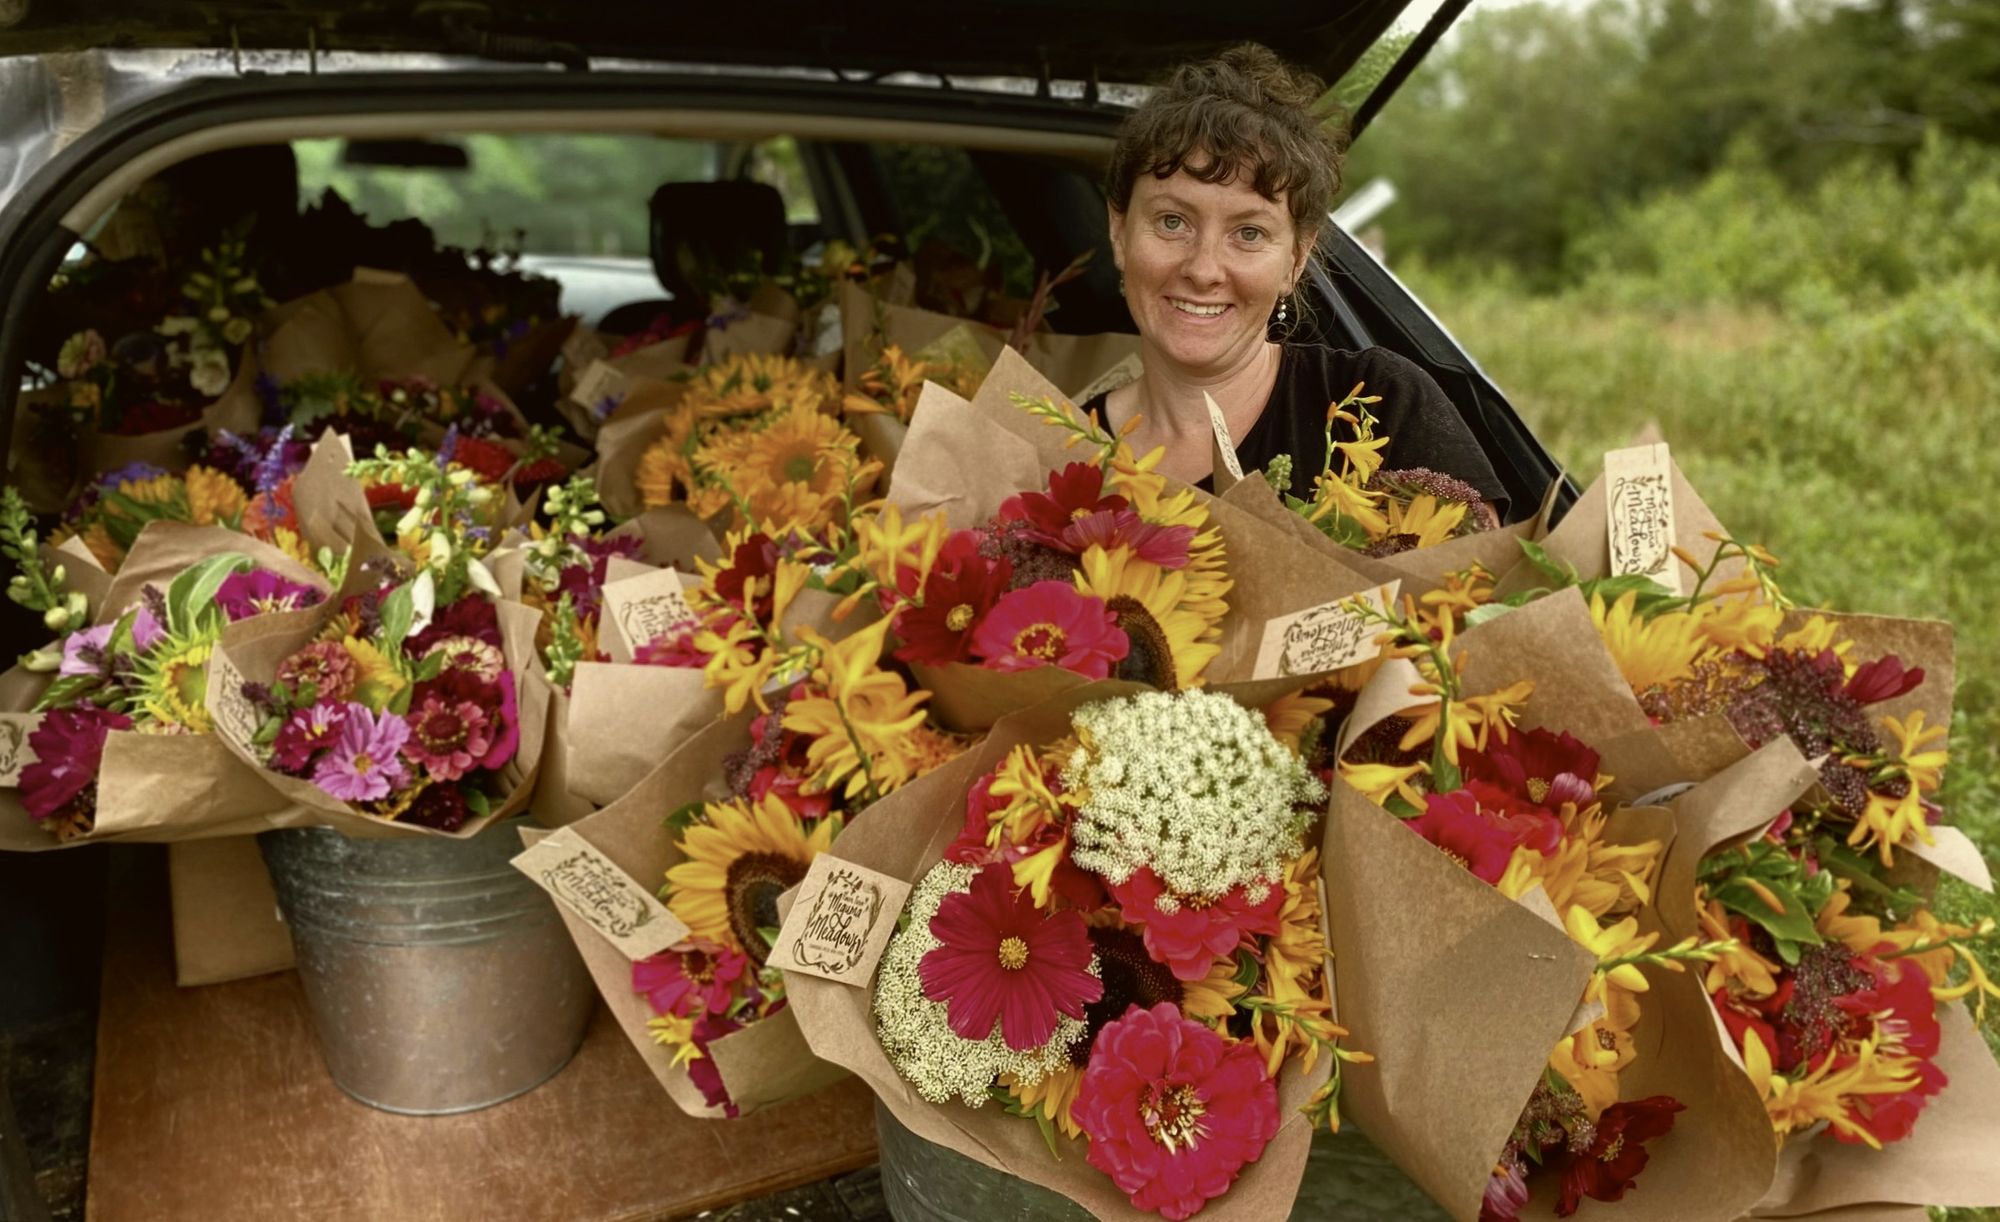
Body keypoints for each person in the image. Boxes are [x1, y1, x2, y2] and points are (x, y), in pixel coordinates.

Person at [1086, 44, 1509, 519]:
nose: (1203, 270)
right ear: (1119, 233)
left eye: (1248, 233)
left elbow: (1478, 586)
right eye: (1171, 222)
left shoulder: (1379, 407)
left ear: (1296, 258)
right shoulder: (1058, 453)